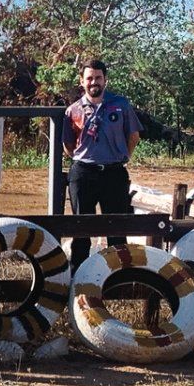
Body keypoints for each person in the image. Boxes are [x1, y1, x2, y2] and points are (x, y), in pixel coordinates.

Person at [62, 57, 140, 271]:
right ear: (82, 81)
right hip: (83, 174)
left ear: (105, 80)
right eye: (89, 78)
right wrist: (86, 157)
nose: (94, 82)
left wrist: (120, 156)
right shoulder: (73, 110)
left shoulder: (121, 105)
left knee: (116, 230)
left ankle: (118, 279)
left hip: (114, 174)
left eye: (98, 78)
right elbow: (69, 145)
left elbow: (133, 136)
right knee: (81, 230)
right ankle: (77, 278)